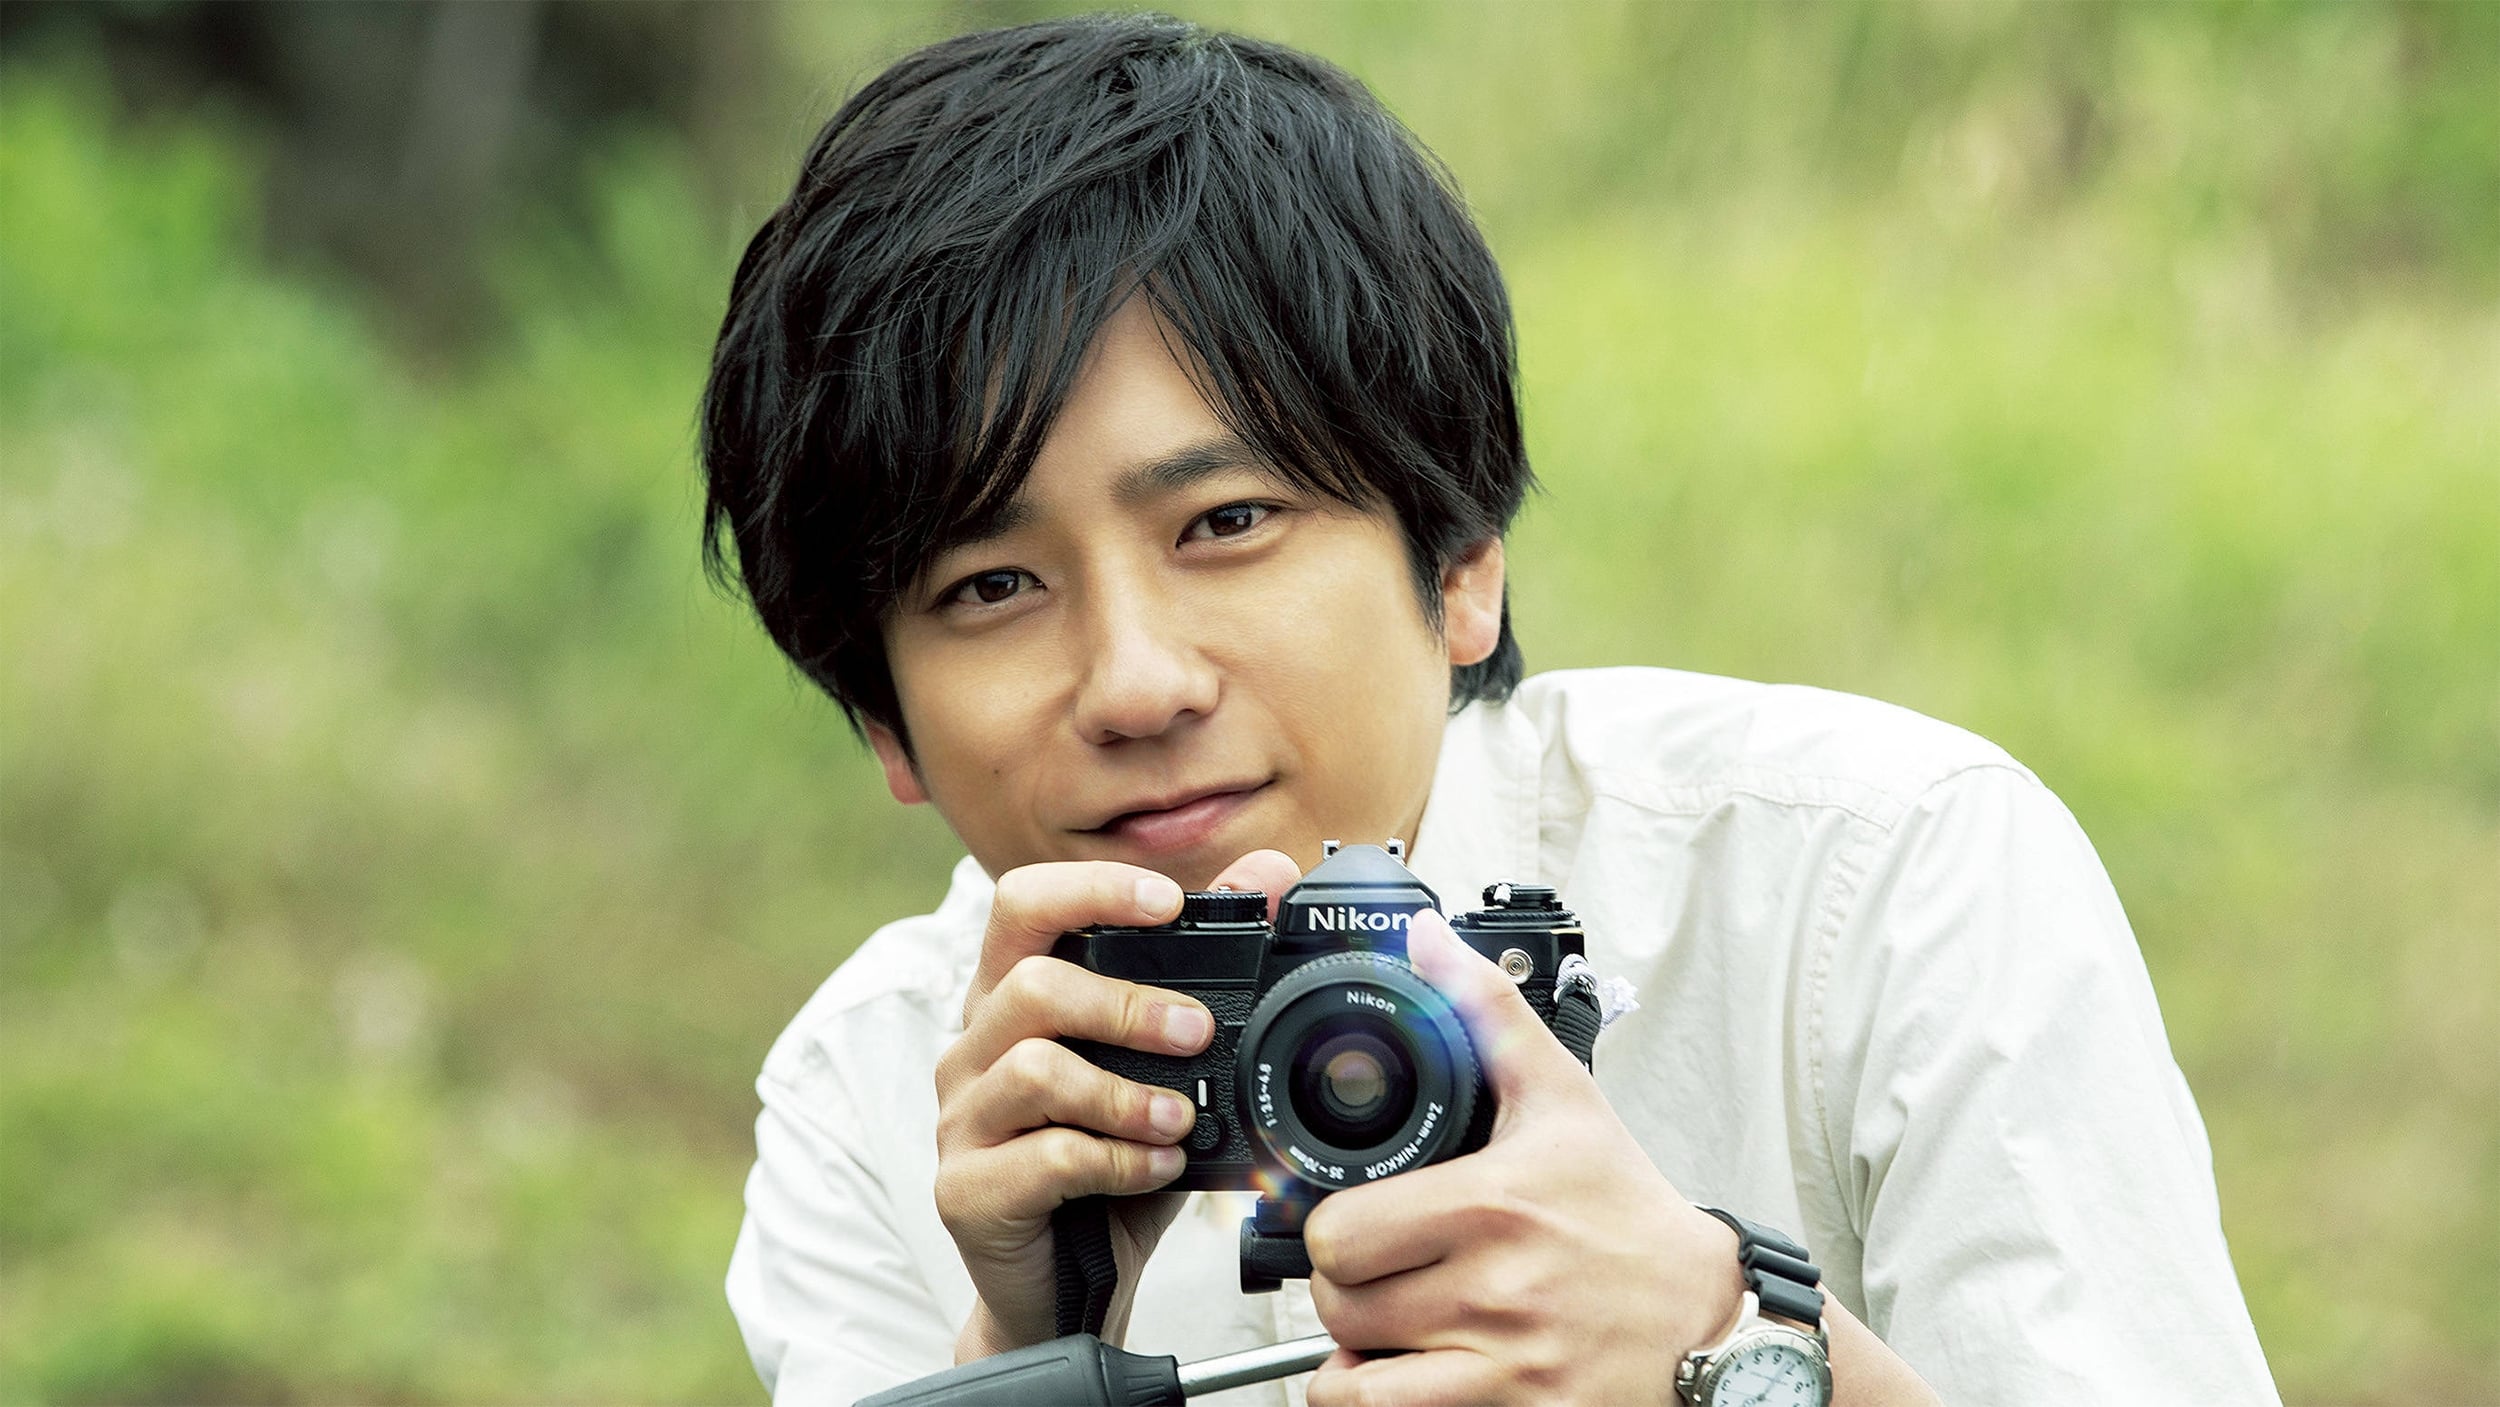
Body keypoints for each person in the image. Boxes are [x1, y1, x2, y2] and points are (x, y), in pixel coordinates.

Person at [699, 14, 2279, 1406]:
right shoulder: (872, 1095)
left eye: (1227, 522)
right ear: (884, 722)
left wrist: (1725, 1349)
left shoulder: (1871, 884)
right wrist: (1021, 1342)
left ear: (1461, 563)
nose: (1135, 682)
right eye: (990, 585)